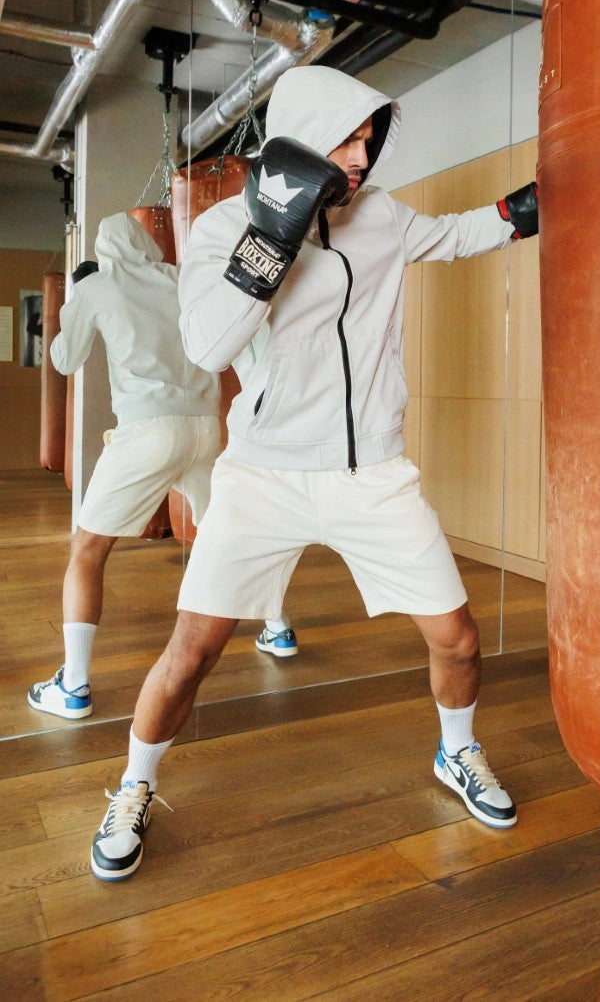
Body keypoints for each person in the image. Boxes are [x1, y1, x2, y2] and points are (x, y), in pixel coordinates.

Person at [89, 65, 539, 881]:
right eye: (345, 138)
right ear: (299, 134)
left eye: (369, 140)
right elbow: (208, 347)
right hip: (263, 475)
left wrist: (529, 207)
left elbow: (460, 232)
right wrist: (274, 234)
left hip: (372, 472)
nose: (361, 159)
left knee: (458, 637)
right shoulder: (227, 226)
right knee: (192, 649)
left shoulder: (383, 218)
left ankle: (458, 752)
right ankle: (132, 786)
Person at [27, 212, 221, 721]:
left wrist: (74, 303)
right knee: (225, 533)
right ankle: (278, 626)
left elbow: (65, 360)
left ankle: (72, 685)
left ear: (105, 248)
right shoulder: (181, 280)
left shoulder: (99, 286)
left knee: (87, 549)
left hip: (148, 431)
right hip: (204, 426)